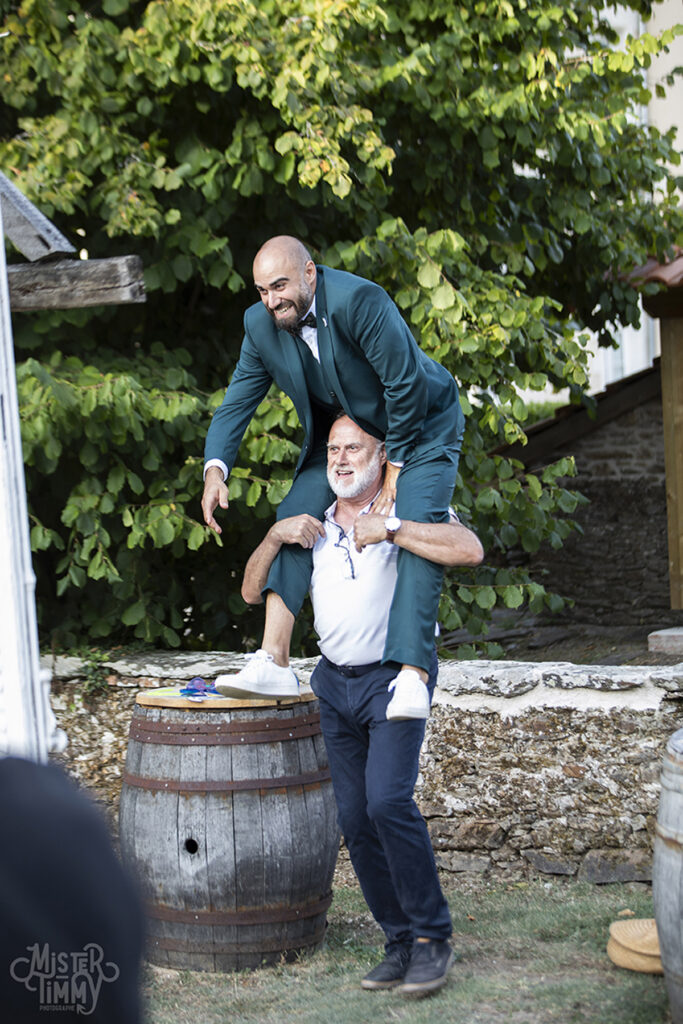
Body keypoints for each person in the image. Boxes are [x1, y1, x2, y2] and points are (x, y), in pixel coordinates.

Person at [237, 415, 483, 995]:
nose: (341, 459)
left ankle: (433, 938)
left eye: (354, 448)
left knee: (388, 802)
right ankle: (400, 942)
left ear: (381, 454)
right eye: (333, 449)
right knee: (353, 817)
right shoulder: (314, 524)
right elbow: (250, 592)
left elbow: (469, 549)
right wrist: (273, 536)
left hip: (393, 678)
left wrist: (392, 529)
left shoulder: (405, 504)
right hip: (333, 684)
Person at [202, 235, 465, 717]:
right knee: (295, 512)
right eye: (262, 290)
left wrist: (395, 471)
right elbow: (237, 401)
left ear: (309, 273)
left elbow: (405, 383)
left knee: (413, 518)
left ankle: (411, 674)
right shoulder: (259, 325)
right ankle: (274, 660)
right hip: (348, 432)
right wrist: (216, 470)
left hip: (422, 424)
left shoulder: (359, 300)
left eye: (280, 286)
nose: (271, 300)